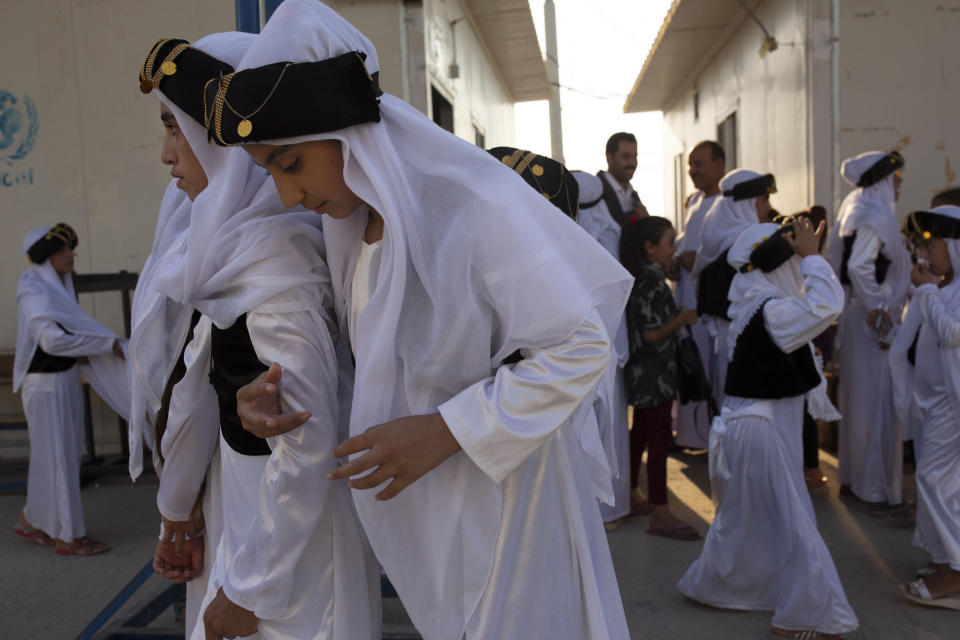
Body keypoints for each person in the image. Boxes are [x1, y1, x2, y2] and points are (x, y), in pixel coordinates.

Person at [216, 2, 633, 637]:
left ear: (346, 132)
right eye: (268, 171)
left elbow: (580, 347)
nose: (288, 196)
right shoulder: (351, 229)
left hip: (510, 521)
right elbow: (384, 370)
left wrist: (448, 431)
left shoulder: (469, 211)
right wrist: (268, 398)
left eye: (291, 163)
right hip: (432, 525)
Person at [139, 34, 381, 640]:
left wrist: (252, 590)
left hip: (285, 558)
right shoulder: (238, 255)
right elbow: (202, 389)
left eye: (176, 128)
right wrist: (180, 510)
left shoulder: (275, 274)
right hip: (250, 515)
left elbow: (308, 443)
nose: (167, 155)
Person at [130, 32, 255, 637]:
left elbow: (194, 392)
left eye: (175, 126)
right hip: (229, 499)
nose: (165, 154)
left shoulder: (243, 250)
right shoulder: (204, 234)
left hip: (255, 515)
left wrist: (177, 513)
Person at [679, 219, 858, 639]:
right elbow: (827, 305)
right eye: (795, 264)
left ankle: (718, 586)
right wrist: (812, 256)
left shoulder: (756, 303)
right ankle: (807, 618)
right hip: (758, 430)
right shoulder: (773, 311)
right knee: (795, 525)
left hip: (750, 429)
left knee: (746, 523)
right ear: (782, 268)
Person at [13, 224, 130, 556]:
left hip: (61, 380)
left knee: (56, 458)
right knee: (59, 460)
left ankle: (33, 519)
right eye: (63, 250)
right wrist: (104, 344)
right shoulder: (35, 290)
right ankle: (69, 536)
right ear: (45, 255)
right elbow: (51, 340)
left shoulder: (56, 285)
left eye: (70, 249)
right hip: (46, 386)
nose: (70, 255)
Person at [827, 150, 910, 513]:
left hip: (860, 318)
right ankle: (873, 489)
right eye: (896, 177)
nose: (900, 182)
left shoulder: (856, 206)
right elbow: (861, 266)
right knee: (873, 406)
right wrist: (879, 307)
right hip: (871, 322)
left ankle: (856, 480)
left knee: (860, 404)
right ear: (881, 181)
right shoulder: (871, 214)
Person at [891, 205, 960, 609]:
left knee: (935, 479)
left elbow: (952, 334)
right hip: (935, 400)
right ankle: (942, 557)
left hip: (953, 403)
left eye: (932, 247)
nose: (924, 255)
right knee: (937, 482)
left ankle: (956, 566)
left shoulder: (943, 289)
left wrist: (927, 290)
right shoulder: (944, 285)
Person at [621, 215, 700, 539]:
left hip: (645, 374)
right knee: (658, 440)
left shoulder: (645, 276)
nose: (674, 249)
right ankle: (661, 511)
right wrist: (681, 318)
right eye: (669, 243)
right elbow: (652, 334)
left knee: (640, 434)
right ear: (650, 248)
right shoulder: (651, 280)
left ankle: (630, 494)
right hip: (654, 376)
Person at [574, 170, 631, 528]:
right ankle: (607, 504)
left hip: (583, 340)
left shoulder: (566, 232)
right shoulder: (610, 231)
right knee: (607, 421)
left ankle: (599, 506)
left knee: (590, 423)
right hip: (606, 337)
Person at [693, 169, 775, 410]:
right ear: (746, 205)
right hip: (744, 347)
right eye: (764, 200)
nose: (769, 208)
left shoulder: (717, 243)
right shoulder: (745, 245)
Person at [674, 140, 725, 449]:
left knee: (709, 369)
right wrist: (675, 262)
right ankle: (689, 434)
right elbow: (685, 244)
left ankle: (710, 436)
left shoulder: (728, 203)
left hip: (710, 304)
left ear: (719, 165)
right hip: (686, 300)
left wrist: (701, 262)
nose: (693, 170)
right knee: (689, 366)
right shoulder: (694, 201)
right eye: (690, 164)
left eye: (699, 163)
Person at [598, 132, 647, 226]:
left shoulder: (632, 195)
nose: (633, 163)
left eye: (635, 156)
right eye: (626, 157)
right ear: (609, 158)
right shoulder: (597, 194)